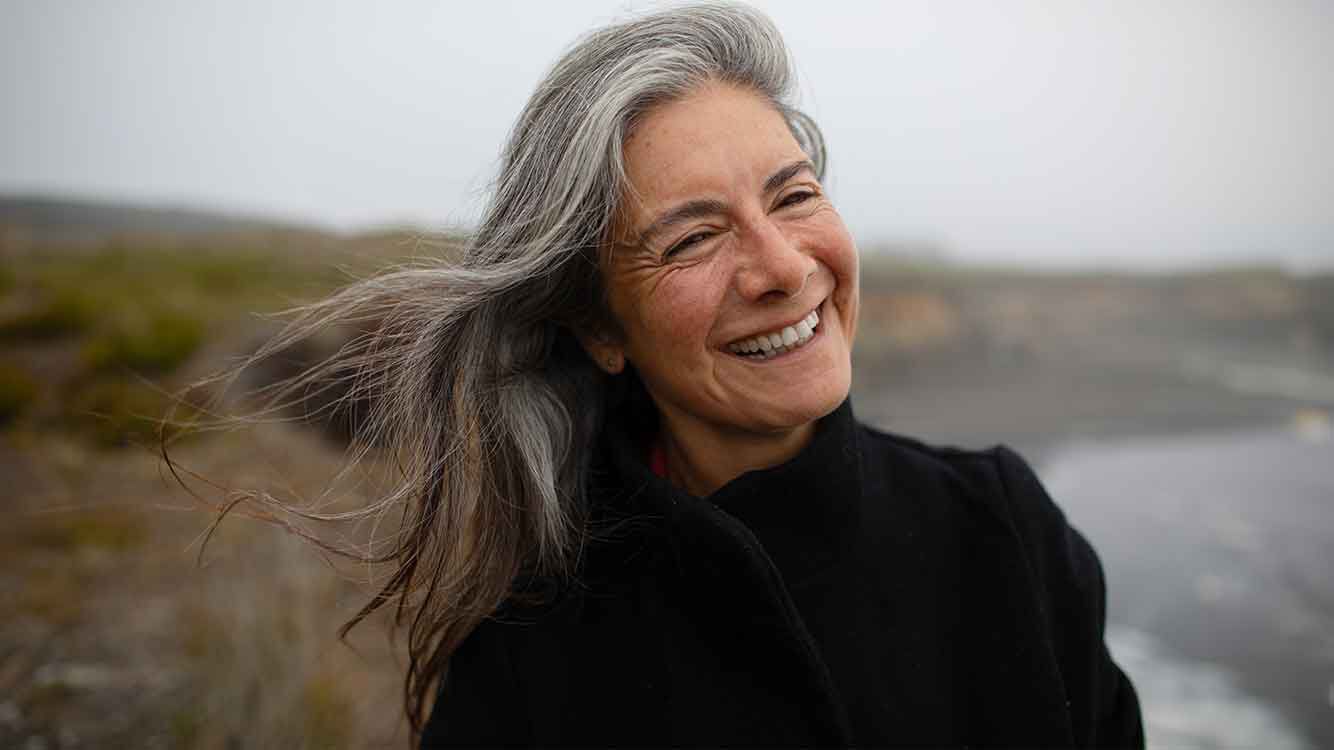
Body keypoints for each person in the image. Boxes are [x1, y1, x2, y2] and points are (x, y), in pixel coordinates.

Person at [245, 2, 1142, 746]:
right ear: (600, 325)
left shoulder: (1006, 534)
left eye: (793, 195)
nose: (784, 268)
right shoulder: (534, 655)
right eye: (693, 238)